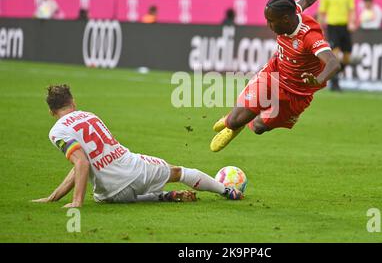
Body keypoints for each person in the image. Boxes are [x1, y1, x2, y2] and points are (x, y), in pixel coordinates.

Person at [32, 85, 243, 208]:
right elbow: (82, 164)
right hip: (133, 169)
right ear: (73, 102)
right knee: (179, 172)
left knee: (116, 193)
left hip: (108, 194)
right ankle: (227, 191)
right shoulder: (89, 116)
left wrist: (57, 198)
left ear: (52, 112)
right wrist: (75, 201)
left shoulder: (57, 131)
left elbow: (82, 163)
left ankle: (162, 196)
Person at [210, 0, 342, 152]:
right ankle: (235, 123)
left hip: (297, 94)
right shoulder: (292, 11)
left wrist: (318, 80)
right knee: (234, 121)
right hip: (273, 74)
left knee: (258, 127)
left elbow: (333, 63)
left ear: (286, 20)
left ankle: (246, 119)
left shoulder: (309, 36)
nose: (268, 25)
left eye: (271, 21)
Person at [318, 0, 356, 91]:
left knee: (347, 57)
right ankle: (335, 82)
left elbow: (352, 10)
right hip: (332, 26)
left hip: (344, 26)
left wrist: (351, 22)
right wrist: (320, 27)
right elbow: (322, 12)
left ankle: (336, 75)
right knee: (335, 54)